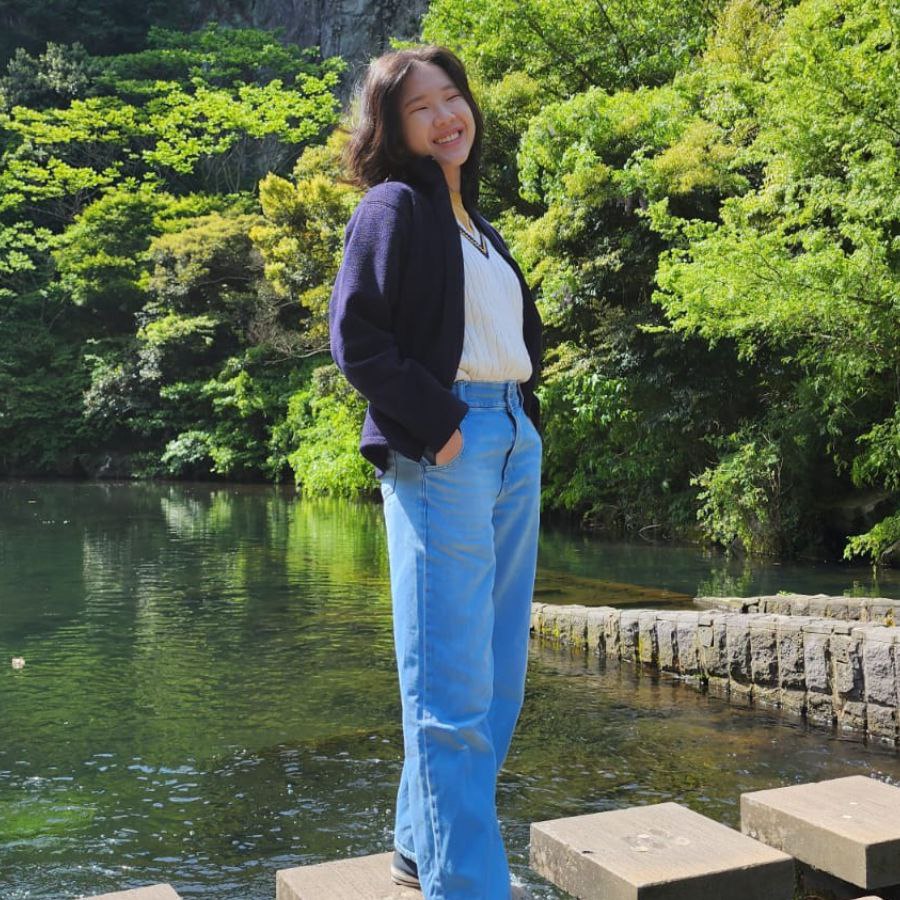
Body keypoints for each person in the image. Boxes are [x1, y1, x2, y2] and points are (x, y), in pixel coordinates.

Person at [328, 44, 543, 900]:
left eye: (454, 97)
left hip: (510, 441)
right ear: (394, 128)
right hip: (446, 447)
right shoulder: (393, 208)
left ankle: (419, 848)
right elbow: (358, 340)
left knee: (497, 685)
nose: (447, 115)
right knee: (452, 695)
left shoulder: (477, 228)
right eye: (423, 107)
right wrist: (443, 425)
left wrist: (517, 428)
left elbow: (509, 345)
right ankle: (469, 887)